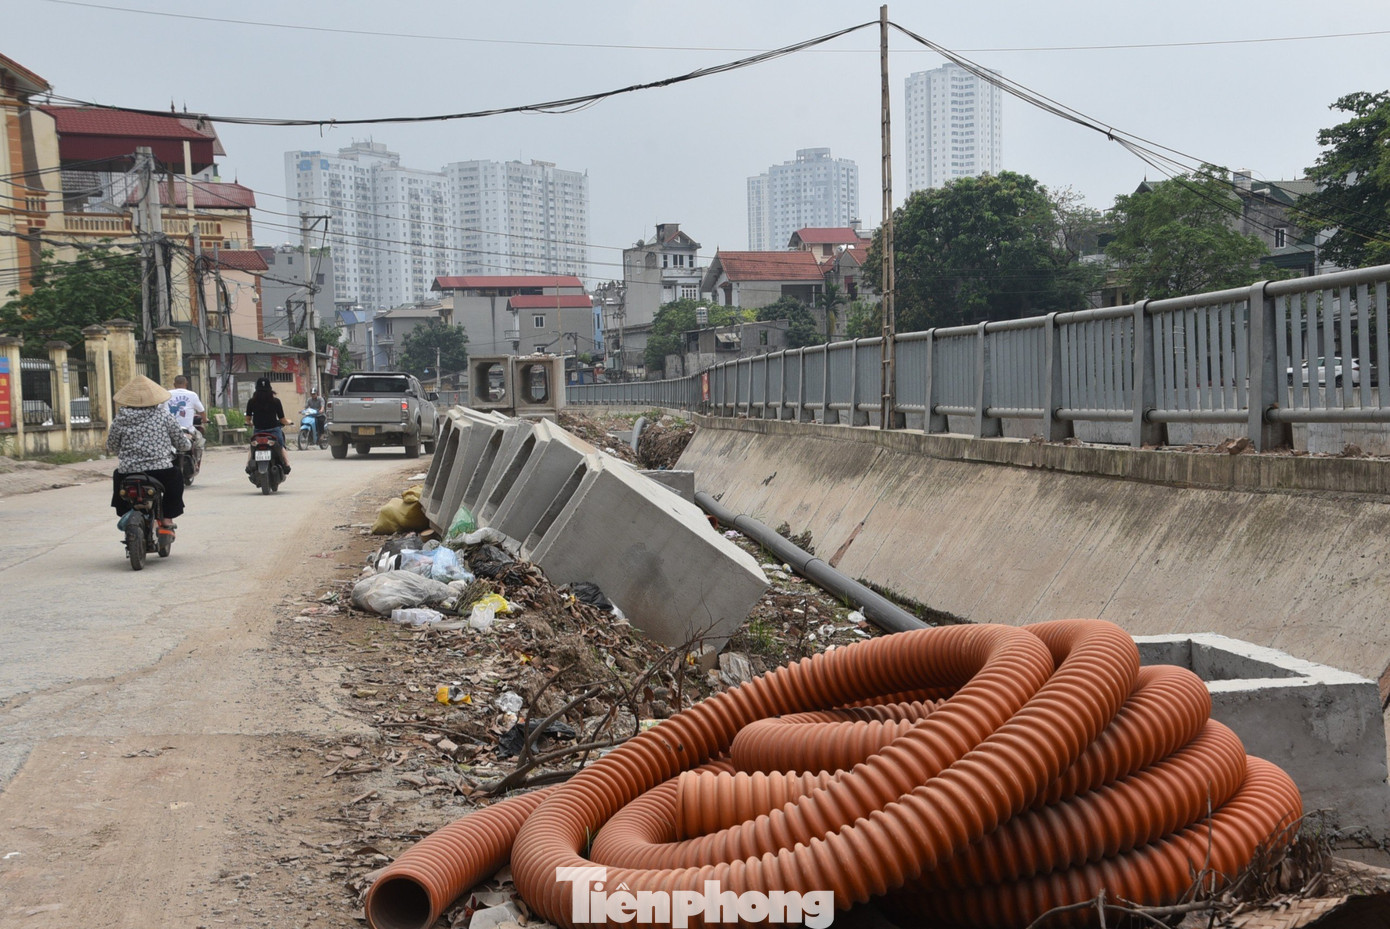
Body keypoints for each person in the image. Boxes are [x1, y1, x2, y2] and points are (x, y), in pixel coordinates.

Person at [106, 374, 190, 532]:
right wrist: (186, 445)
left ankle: (125, 513)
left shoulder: (120, 418)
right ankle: (167, 517)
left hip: (128, 471)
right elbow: (181, 442)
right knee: (176, 476)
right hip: (161, 471)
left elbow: (111, 445)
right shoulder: (164, 416)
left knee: (118, 476)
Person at [245, 376, 290, 472]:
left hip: (258, 432)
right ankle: (286, 464)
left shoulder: (251, 402)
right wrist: (288, 422)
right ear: (270, 389)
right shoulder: (276, 401)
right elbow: (282, 420)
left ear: (256, 389)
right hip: (273, 431)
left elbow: (247, 419)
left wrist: (250, 423)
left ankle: (248, 465)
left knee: (252, 447)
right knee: (281, 446)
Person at [166, 374, 206, 457]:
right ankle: (197, 460)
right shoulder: (192, 395)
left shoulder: (167, 394)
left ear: (174, 384)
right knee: (200, 441)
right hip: (188, 430)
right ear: (186, 384)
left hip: (169, 430)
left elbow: (159, 409)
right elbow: (201, 411)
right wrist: (205, 420)